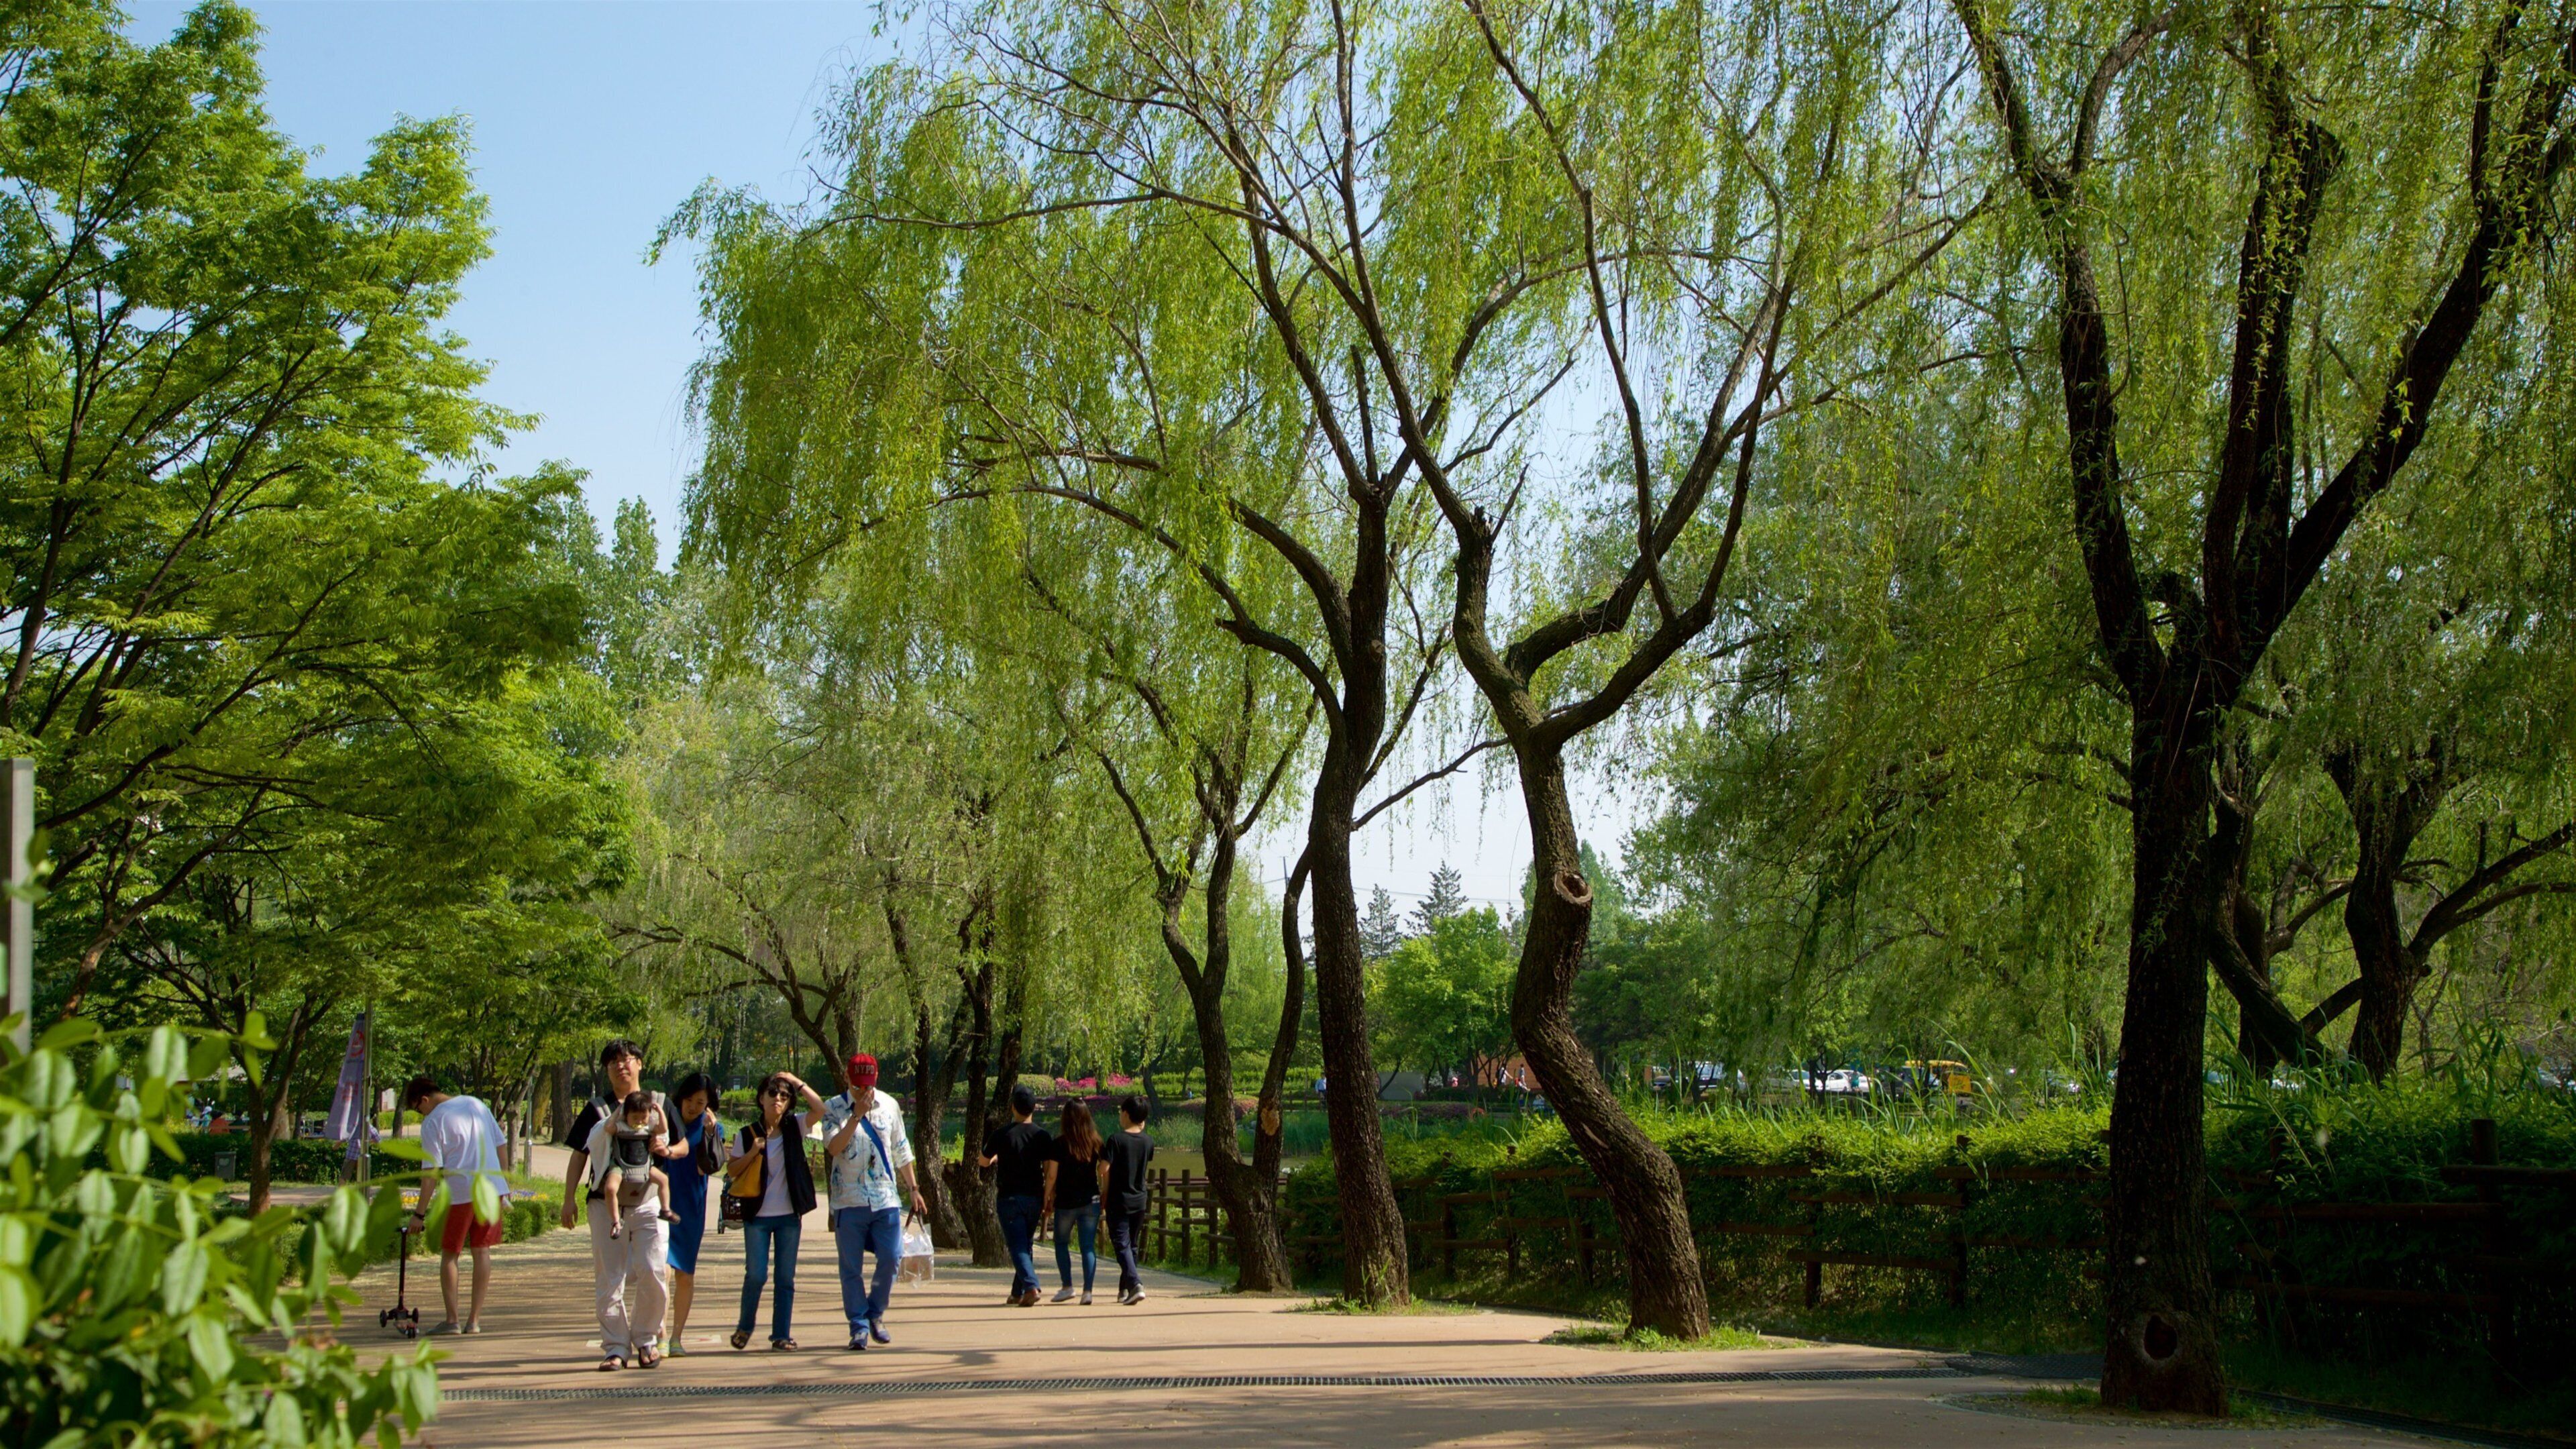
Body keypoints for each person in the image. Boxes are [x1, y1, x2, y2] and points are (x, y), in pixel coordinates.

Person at [559, 1039, 674, 1370]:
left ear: (640, 1064)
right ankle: (615, 1347)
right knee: (609, 1279)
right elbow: (579, 1155)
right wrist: (568, 1200)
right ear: (606, 1070)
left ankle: (647, 1339)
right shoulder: (598, 1110)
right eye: (613, 1063)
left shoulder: (659, 1105)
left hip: (649, 1202)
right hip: (604, 1205)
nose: (621, 1066)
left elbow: (680, 1146)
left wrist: (669, 1150)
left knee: (653, 1271)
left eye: (627, 1060)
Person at [820, 1053, 928, 1350]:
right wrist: (855, 1115)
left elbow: (901, 1150)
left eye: (867, 1085)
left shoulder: (890, 1106)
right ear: (847, 1079)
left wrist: (914, 1188)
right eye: (857, 1086)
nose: (863, 1092)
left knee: (892, 1257)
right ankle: (858, 1326)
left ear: (876, 1080)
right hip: (848, 1200)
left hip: (885, 1198)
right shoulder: (833, 1108)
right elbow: (833, 1147)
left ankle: (875, 1312)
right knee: (851, 1268)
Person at [400, 1073, 505, 1336]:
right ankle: (474, 1321)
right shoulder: (476, 1104)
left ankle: (452, 1320)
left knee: (451, 1253)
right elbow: (501, 1143)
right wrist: (505, 1186)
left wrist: (419, 1214)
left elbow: (430, 1173)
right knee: (482, 1251)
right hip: (492, 1189)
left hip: (460, 1193)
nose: (421, 1113)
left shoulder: (433, 1122)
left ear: (425, 1099)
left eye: (418, 1108)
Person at [728, 1070, 823, 1351]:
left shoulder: (796, 1127)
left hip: (788, 1217)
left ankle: (781, 1335)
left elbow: (820, 1108)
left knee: (785, 1278)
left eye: (784, 1096)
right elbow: (732, 1170)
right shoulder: (747, 1134)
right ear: (761, 1099)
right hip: (756, 1216)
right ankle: (745, 1327)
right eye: (773, 1094)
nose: (778, 1099)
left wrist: (797, 1083)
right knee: (756, 1275)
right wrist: (753, 1152)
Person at [659, 1072, 724, 1356]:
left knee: (684, 1274)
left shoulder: (709, 1128)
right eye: (689, 1099)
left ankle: (676, 1337)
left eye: (700, 1102)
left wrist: (709, 1133)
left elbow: (700, 1161)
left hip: (691, 1206)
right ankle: (658, 1334)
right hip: (659, 1204)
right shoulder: (665, 1119)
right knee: (659, 1272)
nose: (693, 1107)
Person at [979, 1084, 1051, 1307]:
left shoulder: (1002, 1134)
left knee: (1017, 1246)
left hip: (1009, 1198)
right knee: (1025, 1243)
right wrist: (1048, 1197)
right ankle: (1017, 1292)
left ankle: (1031, 1286)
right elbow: (1049, 1170)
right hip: (1034, 1197)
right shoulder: (1042, 1136)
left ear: (1013, 1107)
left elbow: (982, 1160)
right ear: (1034, 1108)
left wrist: (994, 1158)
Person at [585, 1089, 681, 1240]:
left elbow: (662, 1129)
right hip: (620, 1167)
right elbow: (608, 1128)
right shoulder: (622, 1126)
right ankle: (616, 1221)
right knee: (610, 1189)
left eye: (643, 1117)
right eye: (635, 1117)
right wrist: (618, 1111)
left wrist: (660, 1112)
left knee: (663, 1180)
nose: (639, 1121)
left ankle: (666, 1210)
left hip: (644, 1167)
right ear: (626, 1115)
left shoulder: (648, 1128)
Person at [1040, 1098, 1106, 1304]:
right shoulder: (1096, 1142)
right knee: (1088, 1247)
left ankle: (1067, 1286)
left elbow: (1052, 1175)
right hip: (1090, 1200)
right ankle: (1088, 1291)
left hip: (1066, 1202)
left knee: (1061, 1243)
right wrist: (1104, 1194)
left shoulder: (1059, 1144)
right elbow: (1104, 1172)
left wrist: (1047, 1197)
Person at [1103, 1095, 1155, 1305]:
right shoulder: (1149, 1141)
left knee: (1121, 1244)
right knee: (1131, 1245)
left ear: (1126, 1114)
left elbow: (1104, 1169)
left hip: (1119, 1199)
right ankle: (1124, 1289)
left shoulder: (1115, 1140)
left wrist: (1104, 1191)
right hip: (1140, 1199)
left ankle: (1135, 1284)